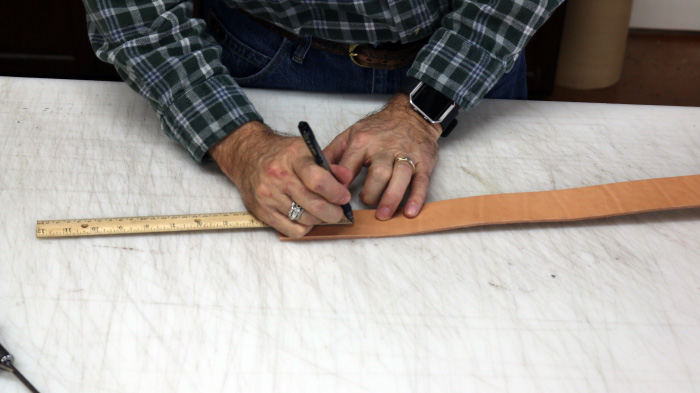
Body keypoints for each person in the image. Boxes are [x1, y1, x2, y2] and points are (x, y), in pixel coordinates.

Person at [82, 0, 562, 238]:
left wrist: (426, 108)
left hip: (476, 51)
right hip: (265, 55)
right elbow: (134, 14)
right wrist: (239, 144)